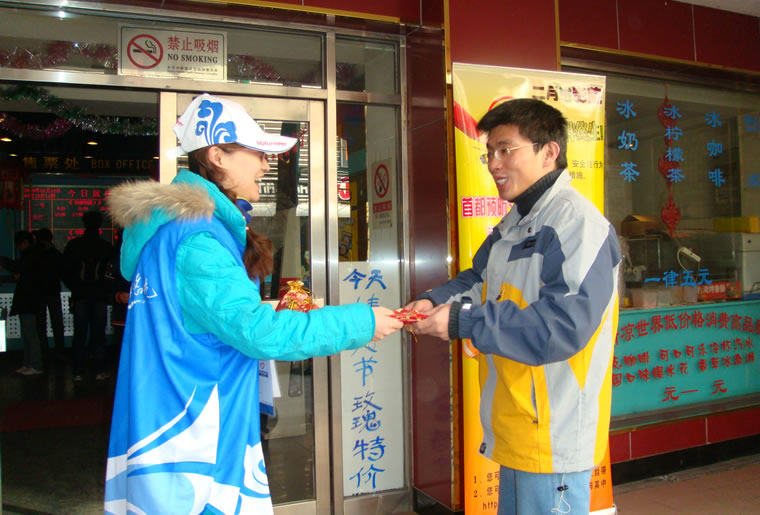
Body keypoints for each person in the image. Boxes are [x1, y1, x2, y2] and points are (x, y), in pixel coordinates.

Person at [103, 93, 403, 514]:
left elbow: (207, 323)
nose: (265, 164)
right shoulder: (198, 240)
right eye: (257, 153)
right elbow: (259, 335)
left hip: (171, 427)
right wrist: (363, 322)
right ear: (217, 156)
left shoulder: (171, 233)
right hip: (195, 443)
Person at [408, 98, 621, 514]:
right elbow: (478, 280)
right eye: (489, 152)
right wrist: (432, 301)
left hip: (554, 435)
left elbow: (562, 327)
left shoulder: (576, 223)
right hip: (518, 425)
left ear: (549, 152)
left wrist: (462, 321)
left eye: (506, 150)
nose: (493, 163)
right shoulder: (516, 223)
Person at [62, 210, 115, 381]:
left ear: (84, 224)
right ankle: (99, 369)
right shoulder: (106, 247)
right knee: (99, 334)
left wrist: (76, 288)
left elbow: (66, 272)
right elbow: (111, 274)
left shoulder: (74, 245)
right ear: (100, 225)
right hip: (99, 296)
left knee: (79, 334)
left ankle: (78, 371)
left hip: (80, 295)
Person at [2, 231, 45, 375]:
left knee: (29, 334)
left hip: (27, 299)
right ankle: (29, 363)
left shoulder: (29, 256)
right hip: (30, 299)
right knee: (28, 333)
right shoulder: (35, 255)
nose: (18, 247)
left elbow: (17, 268)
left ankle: (35, 364)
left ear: (25, 243)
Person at [33, 227, 66, 364]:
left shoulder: (35, 254)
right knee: (57, 324)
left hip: (39, 293)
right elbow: (63, 269)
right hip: (53, 291)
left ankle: (43, 353)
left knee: (40, 325)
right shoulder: (55, 254)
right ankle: (60, 352)